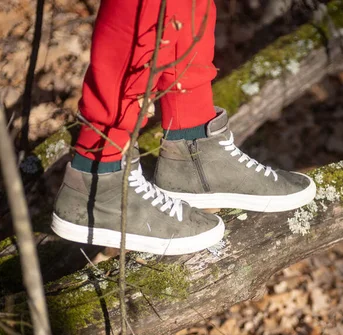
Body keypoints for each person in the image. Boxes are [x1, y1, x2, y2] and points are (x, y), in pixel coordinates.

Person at [51, 0, 316, 255]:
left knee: (187, 7)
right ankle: (97, 172)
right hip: (98, 173)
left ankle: (194, 142)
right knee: (144, 8)